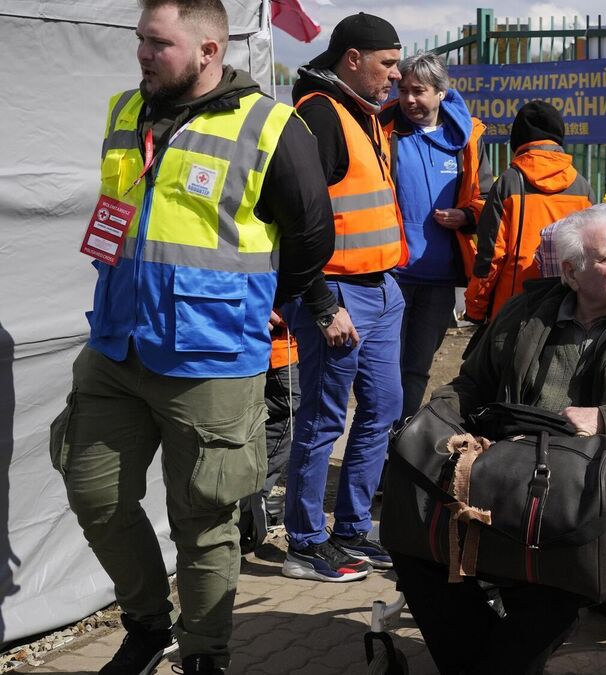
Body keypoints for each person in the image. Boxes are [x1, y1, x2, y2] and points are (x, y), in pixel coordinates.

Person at [49, 0, 334, 672]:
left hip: (212, 357)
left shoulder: (271, 126)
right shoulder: (126, 111)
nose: (143, 55)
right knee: (93, 491)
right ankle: (148, 625)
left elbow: (313, 237)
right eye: (140, 40)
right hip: (116, 343)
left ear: (209, 51)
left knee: (204, 518)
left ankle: (205, 653)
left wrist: (267, 301)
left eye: (159, 43)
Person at [388, 208, 606, 673]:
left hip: (596, 498)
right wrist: (435, 424)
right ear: (571, 273)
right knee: (415, 547)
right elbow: (472, 385)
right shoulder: (525, 314)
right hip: (507, 476)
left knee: (550, 580)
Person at [283, 12, 407, 582]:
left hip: (380, 288)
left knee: (382, 409)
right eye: (388, 63)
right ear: (352, 59)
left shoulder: (363, 113)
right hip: (337, 294)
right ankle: (305, 543)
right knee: (323, 418)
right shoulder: (320, 115)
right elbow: (296, 218)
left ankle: (352, 529)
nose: (396, 75)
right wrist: (320, 304)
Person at [380, 51, 492, 422]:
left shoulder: (467, 138)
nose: (409, 99)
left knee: (417, 368)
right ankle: (377, 441)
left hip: (440, 278)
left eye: (419, 91)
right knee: (384, 368)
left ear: (441, 93)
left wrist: (466, 216)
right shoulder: (383, 129)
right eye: (403, 90)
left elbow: (485, 197)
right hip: (392, 274)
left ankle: (401, 439)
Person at [463, 101, 593, 322]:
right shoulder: (582, 187)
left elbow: (491, 254)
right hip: (568, 307)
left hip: (513, 311)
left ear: (517, 141)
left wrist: (475, 308)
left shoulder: (509, 182)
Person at [237, 328, 300, 554]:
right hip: (273, 352)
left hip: (271, 350)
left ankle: (249, 510)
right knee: (284, 415)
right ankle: (248, 514)